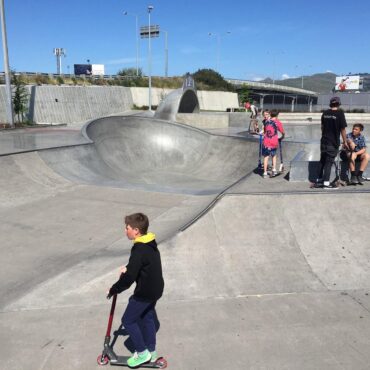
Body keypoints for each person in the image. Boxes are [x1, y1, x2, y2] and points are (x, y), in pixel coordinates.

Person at [107, 213, 164, 368]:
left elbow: (130, 278)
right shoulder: (149, 242)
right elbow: (142, 264)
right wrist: (130, 268)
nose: (125, 231)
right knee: (147, 317)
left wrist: (114, 289)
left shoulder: (138, 249)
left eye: (127, 228)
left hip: (145, 292)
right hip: (156, 288)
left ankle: (142, 353)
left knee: (128, 320)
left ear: (136, 230)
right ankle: (151, 351)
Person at [317, 96, 348, 189]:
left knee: (322, 160)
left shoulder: (325, 113)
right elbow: (342, 129)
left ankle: (319, 179)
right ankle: (326, 183)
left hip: (324, 140)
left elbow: (322, 127)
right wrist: (345, 141)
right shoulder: (340, 113)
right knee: (329, 161)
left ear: (331, 104)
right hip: (332, 141)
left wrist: (325, 135)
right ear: (338, 104)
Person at [261, 109, 285, 178]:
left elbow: (265, 131)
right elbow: (282, 131)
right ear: (277, 115)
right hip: (274, 142)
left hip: (266, 142)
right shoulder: (278, 122)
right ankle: (274, 169)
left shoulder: (266, 122)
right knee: (274, 155)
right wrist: (283, 136)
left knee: (266, 157)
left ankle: (265, 173)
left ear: (270, 114)